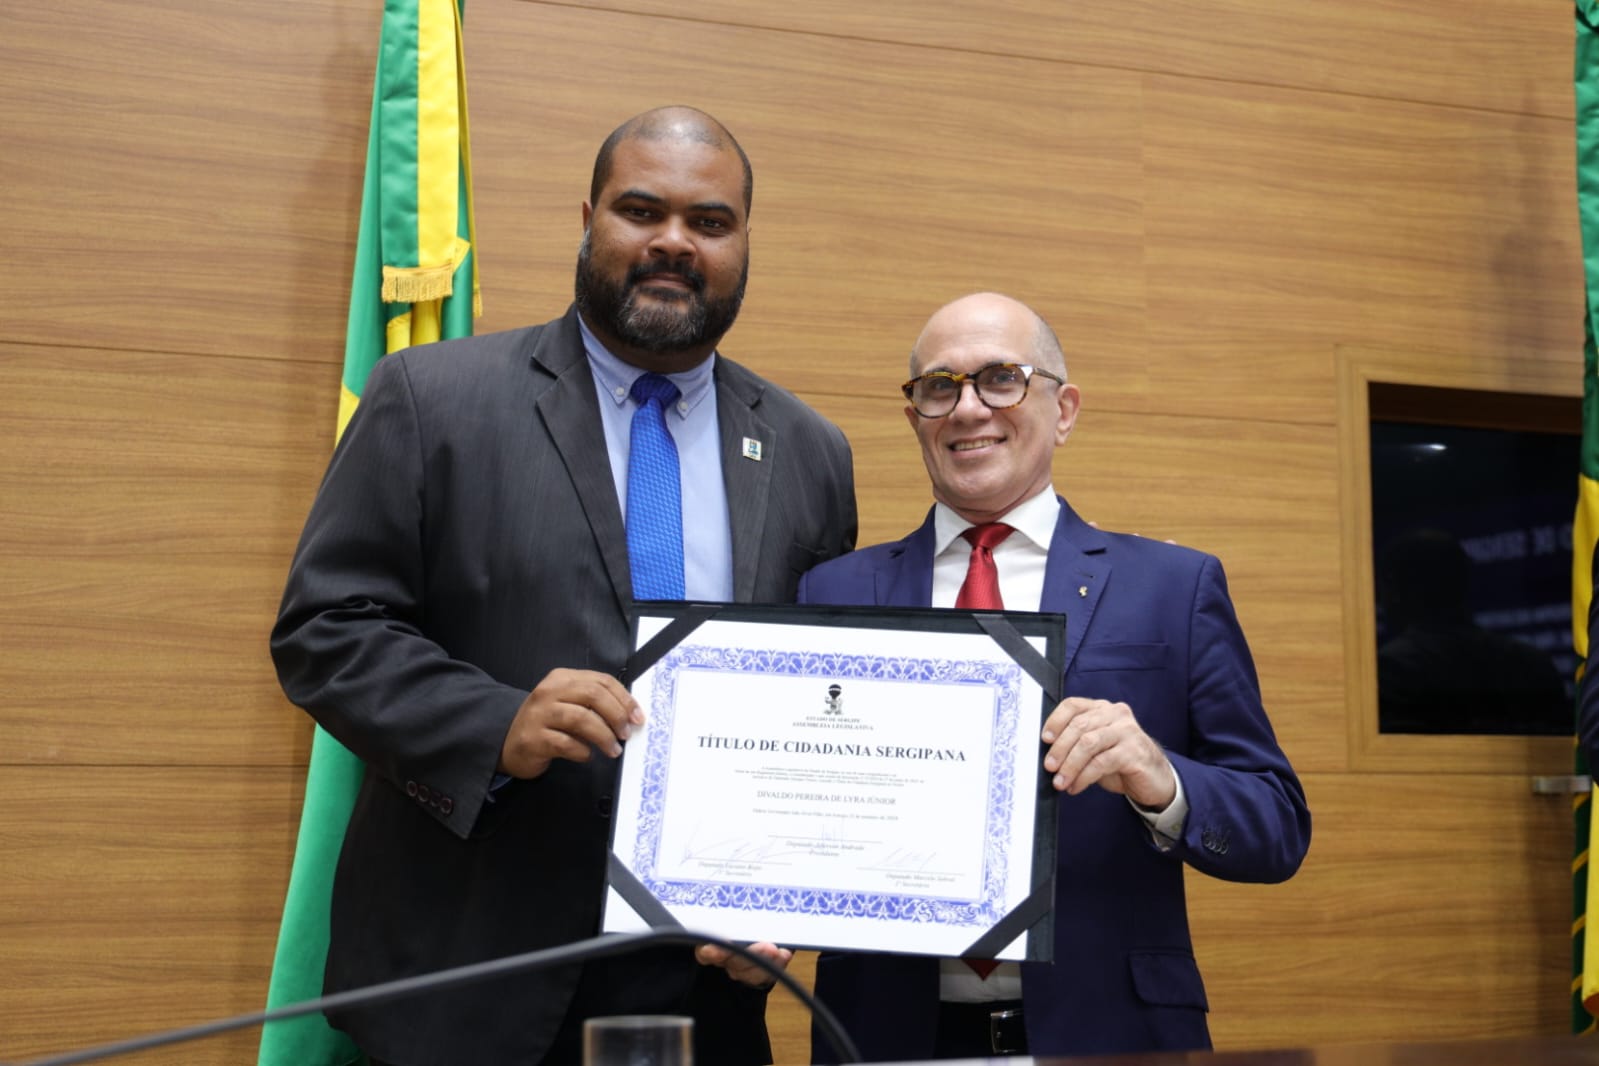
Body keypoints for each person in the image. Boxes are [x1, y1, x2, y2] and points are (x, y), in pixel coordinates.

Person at [270, 106, 857, 1066]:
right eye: (641, 211)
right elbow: (325, 628)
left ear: (745, 242)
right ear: (588, 221)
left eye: (710, 222)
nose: (674, 242)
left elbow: (817, 694)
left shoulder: (808, 450)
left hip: (705, 982)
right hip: (471, 972)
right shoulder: (432, 397)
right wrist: (493, 723)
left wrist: (788, 891)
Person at [797, 292, 1310, 1061]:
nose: (968, 408)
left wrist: (1160, 778)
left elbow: (1276, 828)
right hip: (884, 1034)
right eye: (939, 387)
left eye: (1000, 378)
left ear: (1063, 409)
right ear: (914, 419)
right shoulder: (834, 591)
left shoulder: (1173, 587)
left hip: (1112, 1034)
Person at [1375, 526, 1568, 735]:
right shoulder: (1533, 662)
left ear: (1395, 589)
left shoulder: (1393, 667)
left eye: (1382, 588)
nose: (1380, 600)